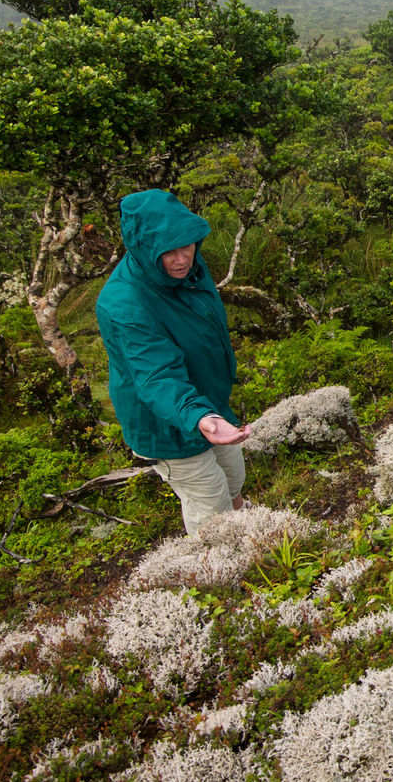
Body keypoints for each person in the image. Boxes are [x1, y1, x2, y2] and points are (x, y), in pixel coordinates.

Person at [96, 189, 252, 535]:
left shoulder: (190, 268)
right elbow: (156, 375)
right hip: (163, 418)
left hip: (205, 399)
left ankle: (249, 527)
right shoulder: (124, 304)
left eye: (187, 245)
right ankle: (217, 563)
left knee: (232, 475)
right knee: (209, 499)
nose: (182, 259)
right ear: (145, 249)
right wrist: (200, 416)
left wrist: (209, 408)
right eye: (168, 251)